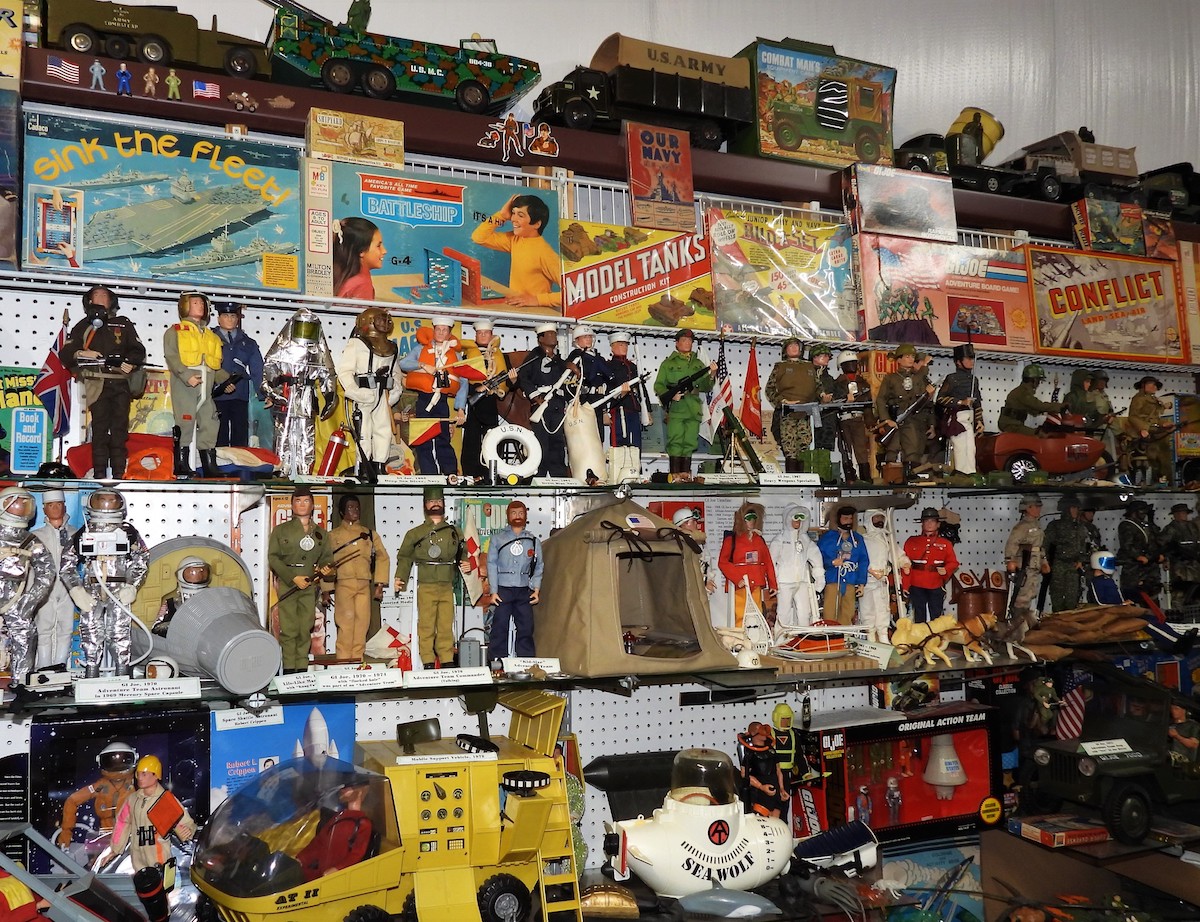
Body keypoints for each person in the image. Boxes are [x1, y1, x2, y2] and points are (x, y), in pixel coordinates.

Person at [60, 488, 149, 678]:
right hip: (90, 590)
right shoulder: (84, 532)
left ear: (120, 505)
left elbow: (142, 559)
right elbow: (66, 563)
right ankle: (91, 671)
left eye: (111, 501)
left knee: (119, 631)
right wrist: (76, 590)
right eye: (102, 501)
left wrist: (132, 585)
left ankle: (122, 673)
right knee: (90, 631)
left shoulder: (128, 533)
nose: (107, 505)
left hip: (119, 590)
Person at [61, 284, 146, 479]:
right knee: (99, 430)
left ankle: (118, 473)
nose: (100, 298)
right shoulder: (84, 325)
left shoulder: (123, 323)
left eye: (104, 295)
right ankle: (99, 473)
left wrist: (130, 362)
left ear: (111, 301)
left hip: (120, 383)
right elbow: (66, 353)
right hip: (97, 383)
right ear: (89, 301)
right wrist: (82, 353)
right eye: (96, 295)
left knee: (119, 430)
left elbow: (137, 350)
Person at [110, 754, 195, 918]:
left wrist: (186, 830)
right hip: (138, 855)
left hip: (159, 856)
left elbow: (183, 820)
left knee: (161, 896)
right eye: (138, 773)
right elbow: (122, 822)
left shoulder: (165, 799)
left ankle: (163, 917)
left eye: (144, 774)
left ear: (155, 775)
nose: (139, 777)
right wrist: (115, 848)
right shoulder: (133, 800)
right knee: (145, 894)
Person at [262, 309, 338, 479]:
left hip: (306, 397)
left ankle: (305, 472)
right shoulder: (283, 347)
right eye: (303, 327)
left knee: (306, 435)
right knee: (283, 434)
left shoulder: (318, 350)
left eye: (310, 328)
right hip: (286, 395)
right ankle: (280, 470)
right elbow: (268, 370)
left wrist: (330, 398)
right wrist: (273, 392)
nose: (306, 332)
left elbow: (328, 375)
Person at [394, 487, 463, 669]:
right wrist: (400, 577)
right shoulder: (415, 534)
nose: (435, 505)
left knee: (446, 624)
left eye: (439, 501)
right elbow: (405, 557)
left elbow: (462, 552)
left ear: (444, 504)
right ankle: (427, 660)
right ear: (425, 505)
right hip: (426, 585)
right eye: (431, 502)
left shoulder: (454, 532)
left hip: (447, 584)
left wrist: (466, 563)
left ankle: (447, 658)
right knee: (426, 624)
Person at [267, 486, 333, 673]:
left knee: (305, 627)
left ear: (312, 505)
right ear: (292, 505)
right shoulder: (281, 531)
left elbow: (327, 559)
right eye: (298, 501)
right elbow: (273, 558)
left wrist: (326, 569)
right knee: (289, 629)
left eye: (306, 501)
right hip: (289, 584)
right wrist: (292, 577)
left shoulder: (321, 533)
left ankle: (302, 668)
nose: (302, 505)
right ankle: (289, 668)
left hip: (310, 585)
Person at [164, 291, 227, 478]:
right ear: (185, 306)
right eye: (195, 303)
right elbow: (172, 357)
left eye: (201, 303)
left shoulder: (211, 335)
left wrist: (225, 380)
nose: (199, 306)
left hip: (207, 383)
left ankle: (209, 465)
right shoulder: (175, 331)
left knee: (210, 421)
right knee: (185, 421)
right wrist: (186, 375)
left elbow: (213, 363)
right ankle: (181, 464)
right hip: (186, 383)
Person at [337, 307, 403, 482]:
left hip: (383, 394)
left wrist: (396, 390)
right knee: (363, 430)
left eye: (385, 320)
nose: (384, 323)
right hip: (365, 394)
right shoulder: (356, 344)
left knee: (384, 429)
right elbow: (345, 372)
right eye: (380, 320)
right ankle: (362, 465)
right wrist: (355, 391)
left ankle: (379, 465)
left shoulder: (392, 347)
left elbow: (396, 373)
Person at [399, 316, 467, 476]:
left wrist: (460, 409)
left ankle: (450, 472)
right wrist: (422, 365)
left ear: (449, 333)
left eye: (445, 330)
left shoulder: (455, 355)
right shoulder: (420, 349)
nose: (441, 332)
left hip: (442, 402)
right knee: (424, 439)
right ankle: (429, 473)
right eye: (438, 329)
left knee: (443, 438)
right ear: (433, 330)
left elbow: (463, 381)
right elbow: (404, 363)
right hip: (424, 400)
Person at [470, 192, 562, 308]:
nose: (513, 219)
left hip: (538, 314)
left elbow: (572, 292)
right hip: (516, 309)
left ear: (536, 224)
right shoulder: (515, 240)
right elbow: (478, 237)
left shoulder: (545, 253)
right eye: (513, 213)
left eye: (520, 215)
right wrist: (501, 216)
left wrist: (537, 300)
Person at [0, 487, 53, 684]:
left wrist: (30, 599)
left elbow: (47, 570)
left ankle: (20, 682)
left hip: (16, 597)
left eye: (25, 504)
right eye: (15, 503)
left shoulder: (30, 540)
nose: (21, 507)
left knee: (25, 635)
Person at [327, 495, 389, 662]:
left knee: (363, 623)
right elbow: (325, 563)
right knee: (345, 623)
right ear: (342, 512)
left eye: (356, 507)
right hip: (344, 584)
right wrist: (326, 589)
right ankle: (343, 659)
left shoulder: (369, 534)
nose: (354, 510)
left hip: (363, 584)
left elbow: (383, 557)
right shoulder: (333, 535)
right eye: (350, 507)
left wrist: (379, 584)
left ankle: (357, 658)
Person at [484, 500, 543, 662]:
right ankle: (497, 661)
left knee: (526, 627)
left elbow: (538, 566)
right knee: (499, 626)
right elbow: (491, 564)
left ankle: (526, 661)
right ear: (508, 516)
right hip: (503, 589)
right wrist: (494, 591)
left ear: (526, 516)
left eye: (521, 513)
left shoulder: (533, 540)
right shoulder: (498, 539)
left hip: (524, 590)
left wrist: (536, 588)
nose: (517, 516)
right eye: (514, 513)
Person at [653, 329, 715, 478]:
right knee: (675, 440)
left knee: (690, 441)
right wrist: (671, 395)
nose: (687, 343)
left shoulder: (698, 364)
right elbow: (659, 385)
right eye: (684, 340)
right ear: (677, 343)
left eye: (690, 341)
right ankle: (674, 474)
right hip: (677, 408)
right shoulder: (668, 364)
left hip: (693, 407)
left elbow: (706, 387)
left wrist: (712, 375)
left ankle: (685, 473)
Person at [459, 320, 515, 479]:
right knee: (472, 440)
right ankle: (471, 474)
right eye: (480, 333)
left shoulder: (500, 356)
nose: (483, 335)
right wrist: (478, 388)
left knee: (492, 441)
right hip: (475, 404)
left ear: (492, 335)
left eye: (486, 333)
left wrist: (513, 380)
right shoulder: (468, 355)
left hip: (491, 405)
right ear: (475, 335)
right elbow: (463, 382)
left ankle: (491, 475)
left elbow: (508, 384)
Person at [57, 741, 137, 848]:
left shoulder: (137, 783)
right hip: (105, 835)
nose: (117, 765)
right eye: (111, 761)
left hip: (131, 833)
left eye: (122, 760)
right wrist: (66, 833)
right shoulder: (100, 786)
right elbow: (72, 800)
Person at [519, 323, 573, 477]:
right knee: (541, 440)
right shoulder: (533, 358)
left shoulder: (558, 360)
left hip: (557, 403)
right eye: (549, 334)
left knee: (558, 440)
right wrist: (535, 396)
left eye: (554, 334)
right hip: (542, 402)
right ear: (541, 339)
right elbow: (524, 377)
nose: (553, 337)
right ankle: (539, 475)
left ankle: (559, 475)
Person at [33, 489, 78, 669]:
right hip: (45, 587)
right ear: (44, 508)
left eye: (59, 504)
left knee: (66, 627)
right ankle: (43, 665)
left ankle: (61, 664)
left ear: (64, 506)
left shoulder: (75, 533)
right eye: (51, 505)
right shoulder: (37, 536)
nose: (55, 509)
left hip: (68, 587)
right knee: (43, 627)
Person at [295, 777, 375, 880]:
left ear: (360, 791)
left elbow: (356, 854)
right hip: (319, 873)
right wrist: (302, 859)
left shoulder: (363, 823)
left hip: (338, 877)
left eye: (348, 787)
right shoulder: (338, 817)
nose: (343, 790)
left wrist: (337, 869)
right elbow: (320, 842)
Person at [874, 344, 933, 480]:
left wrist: (928, 395)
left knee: (912, 448)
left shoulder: (918, 378)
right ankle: (890, 477)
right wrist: (886, 419)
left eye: (912, 356)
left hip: (911, 418)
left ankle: (910, 476)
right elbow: (881, 399)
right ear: (899, 359)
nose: (911, 359)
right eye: (907, 356)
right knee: (892, 448)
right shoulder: (891, 378)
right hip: (895, 417)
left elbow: (923, 402)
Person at [764, 338, 823, 473]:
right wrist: (783, 401)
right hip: (788, 412)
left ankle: (802, 477)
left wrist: (823, 396)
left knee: (804, 443)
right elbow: (769, 389)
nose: (794, 348)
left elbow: (818, 387)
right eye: (790, 346)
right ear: (785, 350)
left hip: (805, 411)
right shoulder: (780, 367)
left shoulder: (809, 367)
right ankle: (792, 477)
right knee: (789, 444)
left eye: (796, 345)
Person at [212, 302, 265, 449]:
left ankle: (239, 462)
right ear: (219, 319)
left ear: (237, 319)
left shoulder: (248, 343)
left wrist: (264, 393)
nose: (229, 319)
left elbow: (257, 370)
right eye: (225, 315)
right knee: (218, 435)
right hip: (216, 394)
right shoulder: (210, 339)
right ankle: (218, 462)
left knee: (240, 435)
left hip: (239, 393)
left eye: (233, 316)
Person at [718, 501, 777, 629]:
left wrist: (773, 584)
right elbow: (723, 562)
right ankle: (740, 637)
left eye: (753, 518)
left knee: (756, 614)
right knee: (740, 615)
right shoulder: (732, 540)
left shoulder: (759, 540)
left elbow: (768, 562)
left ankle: (755, 636)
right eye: (748, 518)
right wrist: (737, 578)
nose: (751, 521)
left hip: (756, 583)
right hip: (741, 585)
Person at [769, 504, 825, 631]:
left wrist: (819, 578)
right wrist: (774, 581)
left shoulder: (805, 540)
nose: (798, 522)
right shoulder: (780, 539)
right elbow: (771, 562)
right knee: (784, 613)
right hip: (784, 582)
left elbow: (816, 557)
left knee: (805, 612)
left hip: (802, 581)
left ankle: (803, 637)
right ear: (788, 519)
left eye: (800, 519)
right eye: (795, 519)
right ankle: (781, 638)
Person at [901, 508, 959, 622]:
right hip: (917, 583)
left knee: (936, 616)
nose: (929, 523)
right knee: (919, 615)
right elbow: (905, 565)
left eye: (932, 521)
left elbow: (953, 562)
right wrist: (906, 585)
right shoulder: (911, 542)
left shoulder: (945, 543)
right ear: (922, 523)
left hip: (935, 582)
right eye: (926, 521)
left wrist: (946, 569)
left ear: (938, 524)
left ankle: (936, 633)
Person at [606, 331, 649, 482]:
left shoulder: (633, 366)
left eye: (625, 345)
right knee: (620, 443)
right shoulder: (609, 366)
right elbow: (607, 390)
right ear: (612, 347)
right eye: (620, 344)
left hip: (633, 408)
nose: (624, 347)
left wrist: (648, 410)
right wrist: (619, 397)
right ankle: (618, 475)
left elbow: (641, 389)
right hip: (619, 408)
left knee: (636, 444)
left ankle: (635, 472)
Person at [936, 343, 984, 475]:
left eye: (972, 358)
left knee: (971, 448)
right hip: (957, 417)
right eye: (968, 358)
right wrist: (960, 402)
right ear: (958, 362)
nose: (971, 361)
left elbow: (977, 403)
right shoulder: (952, 378)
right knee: (960, 448)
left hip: (970, 417)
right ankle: (962, 473)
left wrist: (980, 421)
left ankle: (970, 472)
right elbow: (940, 398)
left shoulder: (974, 380)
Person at [860, 508, 906, 642]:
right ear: (869, 519)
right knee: (867, 608)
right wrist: (870, 571)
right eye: (876, 518)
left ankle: (883, 634)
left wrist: (904, 562)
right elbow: (860, 558)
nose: (879, 521)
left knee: (883, 609)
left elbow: (895, 553)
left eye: (881, 518)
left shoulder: (886, 539)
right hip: (867, 580)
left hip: (882, 580)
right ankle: (870, 634)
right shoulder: (863, 540)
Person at [817, 506, 868, 625]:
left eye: (850, 519)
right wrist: (831, 562)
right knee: (830, 612)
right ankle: (830, 633)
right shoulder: (828, 538)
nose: (848, 521)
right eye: (845, 518)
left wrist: (861, 582)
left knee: (848, 612)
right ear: (838, 519)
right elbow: (818, 557)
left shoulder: (857, 539)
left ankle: (845, 634)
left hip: (850, 580)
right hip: (833, 579)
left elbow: (863, 560)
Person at [828, 350, 873, 483]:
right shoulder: (837, 384)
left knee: (861, 449)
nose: (852, 365)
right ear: (841, 366)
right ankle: (850, 477)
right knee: (845, 449)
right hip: (843, 419)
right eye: (848, 363)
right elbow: (833, 402)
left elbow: (868, 404)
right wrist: (844, 400)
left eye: (854, 363)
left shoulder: (863, 383)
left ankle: (865, 478)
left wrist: (870, 421)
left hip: (858, 418)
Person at [1004, 495, 1047, 631]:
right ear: (1028, 508)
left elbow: (1040, 546)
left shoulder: (1036, 525)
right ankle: (1018, 623)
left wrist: (1044, 561)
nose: (1039, 509)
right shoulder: (1022, 527)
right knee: (1022, 596)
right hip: (1025, 564)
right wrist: (1010, 560)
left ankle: (1026, 622)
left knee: (1030, 593)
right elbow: (1012, 543)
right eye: (1036, 507)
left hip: (1034, 564)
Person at [1042, 494, 1090, 612]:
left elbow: (1084, 546)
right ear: (1066, 509)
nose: (1076, 511)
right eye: (1073, 508)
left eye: (1077, 508)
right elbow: (1045, 546)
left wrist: (1081, 561)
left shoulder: (1080, 527)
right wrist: (1045, 563)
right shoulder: (1055, 526)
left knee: (1072, 599)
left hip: (1073, 566)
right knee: (1057, 598)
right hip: (1058, 565)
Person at [565, 324, 614, 437]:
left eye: (590, 336)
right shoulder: (575, 357)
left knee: (599, 436)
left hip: (598, 400)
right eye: (584, 337)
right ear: (577, 340)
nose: (588, 339)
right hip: (583, 401)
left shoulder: (598, 358)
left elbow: (606, 381)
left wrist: (605, 411)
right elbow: (569, 383)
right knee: (585, 437)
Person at [1127, 374, 1174, 486]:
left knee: (1165, 454)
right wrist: (1143, 429)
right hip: (1144, 433)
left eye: (1155, 385)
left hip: (1155, 429)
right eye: (1150, 384)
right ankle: (1153, 479)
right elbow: (1133, 417)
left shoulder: (1154, 400)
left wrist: (1164, 424)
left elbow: (1155, 418)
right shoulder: (1138, 399)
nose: (1154, 387)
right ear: (1143, 386)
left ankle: (1165, 479)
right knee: (1152, 455)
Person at [1116, 500, 1163, 606]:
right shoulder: (1127, 525)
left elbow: (1155, 541)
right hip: (1134, 569)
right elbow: (1127, 545)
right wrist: (1138, 556)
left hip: (1150, 568)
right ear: (1134, 512)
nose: (1144, 513)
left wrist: (1158, 555)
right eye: (1142, 510)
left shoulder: (1146, 525)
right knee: (1134, 598)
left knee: (1152, 599)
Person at [736, 721, 786, 818]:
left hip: (774, 789)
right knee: (762, 818)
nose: (765, 732)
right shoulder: (750, 753)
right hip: (760, 793)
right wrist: (761, 786)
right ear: (753, 733)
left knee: (776, 818)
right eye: (761, 729)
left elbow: (778, 771)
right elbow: (744, 774)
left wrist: (782, 789)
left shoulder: (771, 750)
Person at [998, 364, 1062, 436]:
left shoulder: (1022, 391)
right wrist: (1060, 406)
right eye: (1039, 380)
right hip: (1011, 426)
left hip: (1013, 425)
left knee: (1039, 433)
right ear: (1034, 380)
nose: (1039, 384)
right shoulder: (1022, 392)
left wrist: (1047, 410)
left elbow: (1034, 410)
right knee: (1039, 435)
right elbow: (1039, 406)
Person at [332, 217, 386, 300]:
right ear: (361, 251)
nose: (384, 251)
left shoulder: (341, 276)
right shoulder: (362, 284)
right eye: (378, 246)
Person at [1160, 502, 1200, 601]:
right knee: (1180, 592)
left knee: (1195, 591)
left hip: (1194, 564)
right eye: (1180, 513)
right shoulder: (1171, 528)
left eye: (1184, 513)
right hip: (1179, 565)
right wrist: (1166, 559)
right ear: (1175, 515)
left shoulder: (1192, 526)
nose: (1182, 515)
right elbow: (1163, 545)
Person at [672, 506, 716, 593]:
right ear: (684, 524)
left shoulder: (698, 541)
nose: (696, 523)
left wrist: (708, 580)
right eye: (693, 521)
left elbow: (705, 562)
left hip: (701, 586)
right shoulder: (679, 543)